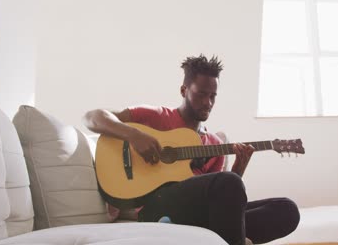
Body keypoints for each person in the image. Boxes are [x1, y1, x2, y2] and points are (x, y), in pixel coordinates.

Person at [83, 54, 300, 245]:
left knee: (286, 210)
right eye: (201, 94)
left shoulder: (214, 144)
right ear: (184, 90)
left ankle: (225, 238)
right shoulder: (157, 116)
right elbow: (92, 117)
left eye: (213, 96)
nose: (208, 102)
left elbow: (220, 198)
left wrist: (238, 171)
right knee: (228, 182)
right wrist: (134, 135)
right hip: (155, 207)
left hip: (197, 216)